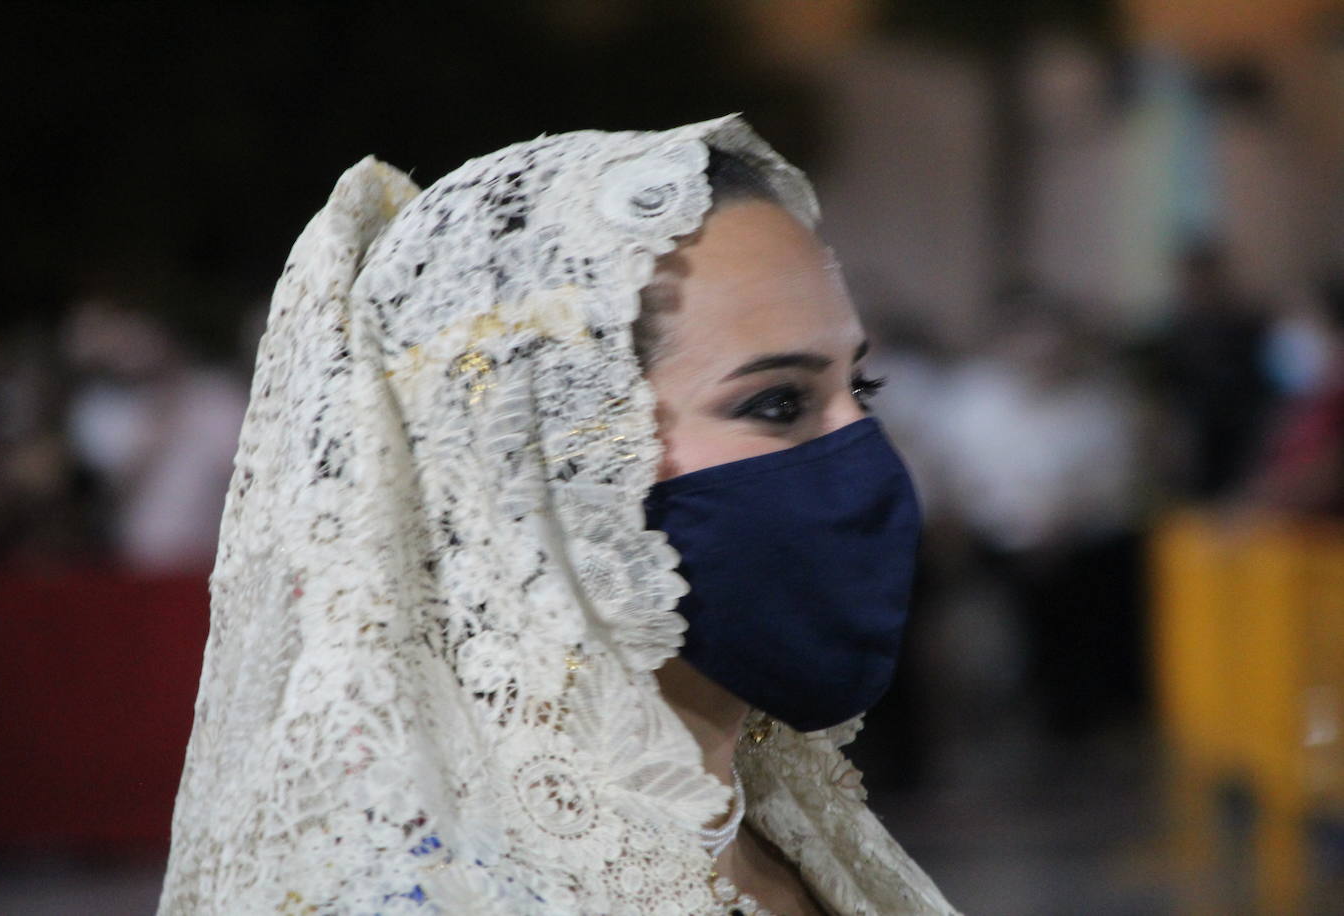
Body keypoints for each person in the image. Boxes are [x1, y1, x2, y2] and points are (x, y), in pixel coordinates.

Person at [161, 116, 956, 915]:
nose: (867, 454)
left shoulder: (786, 843)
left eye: (864, 387)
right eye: (778, 401)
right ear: (540, 463)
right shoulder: (430, 892)